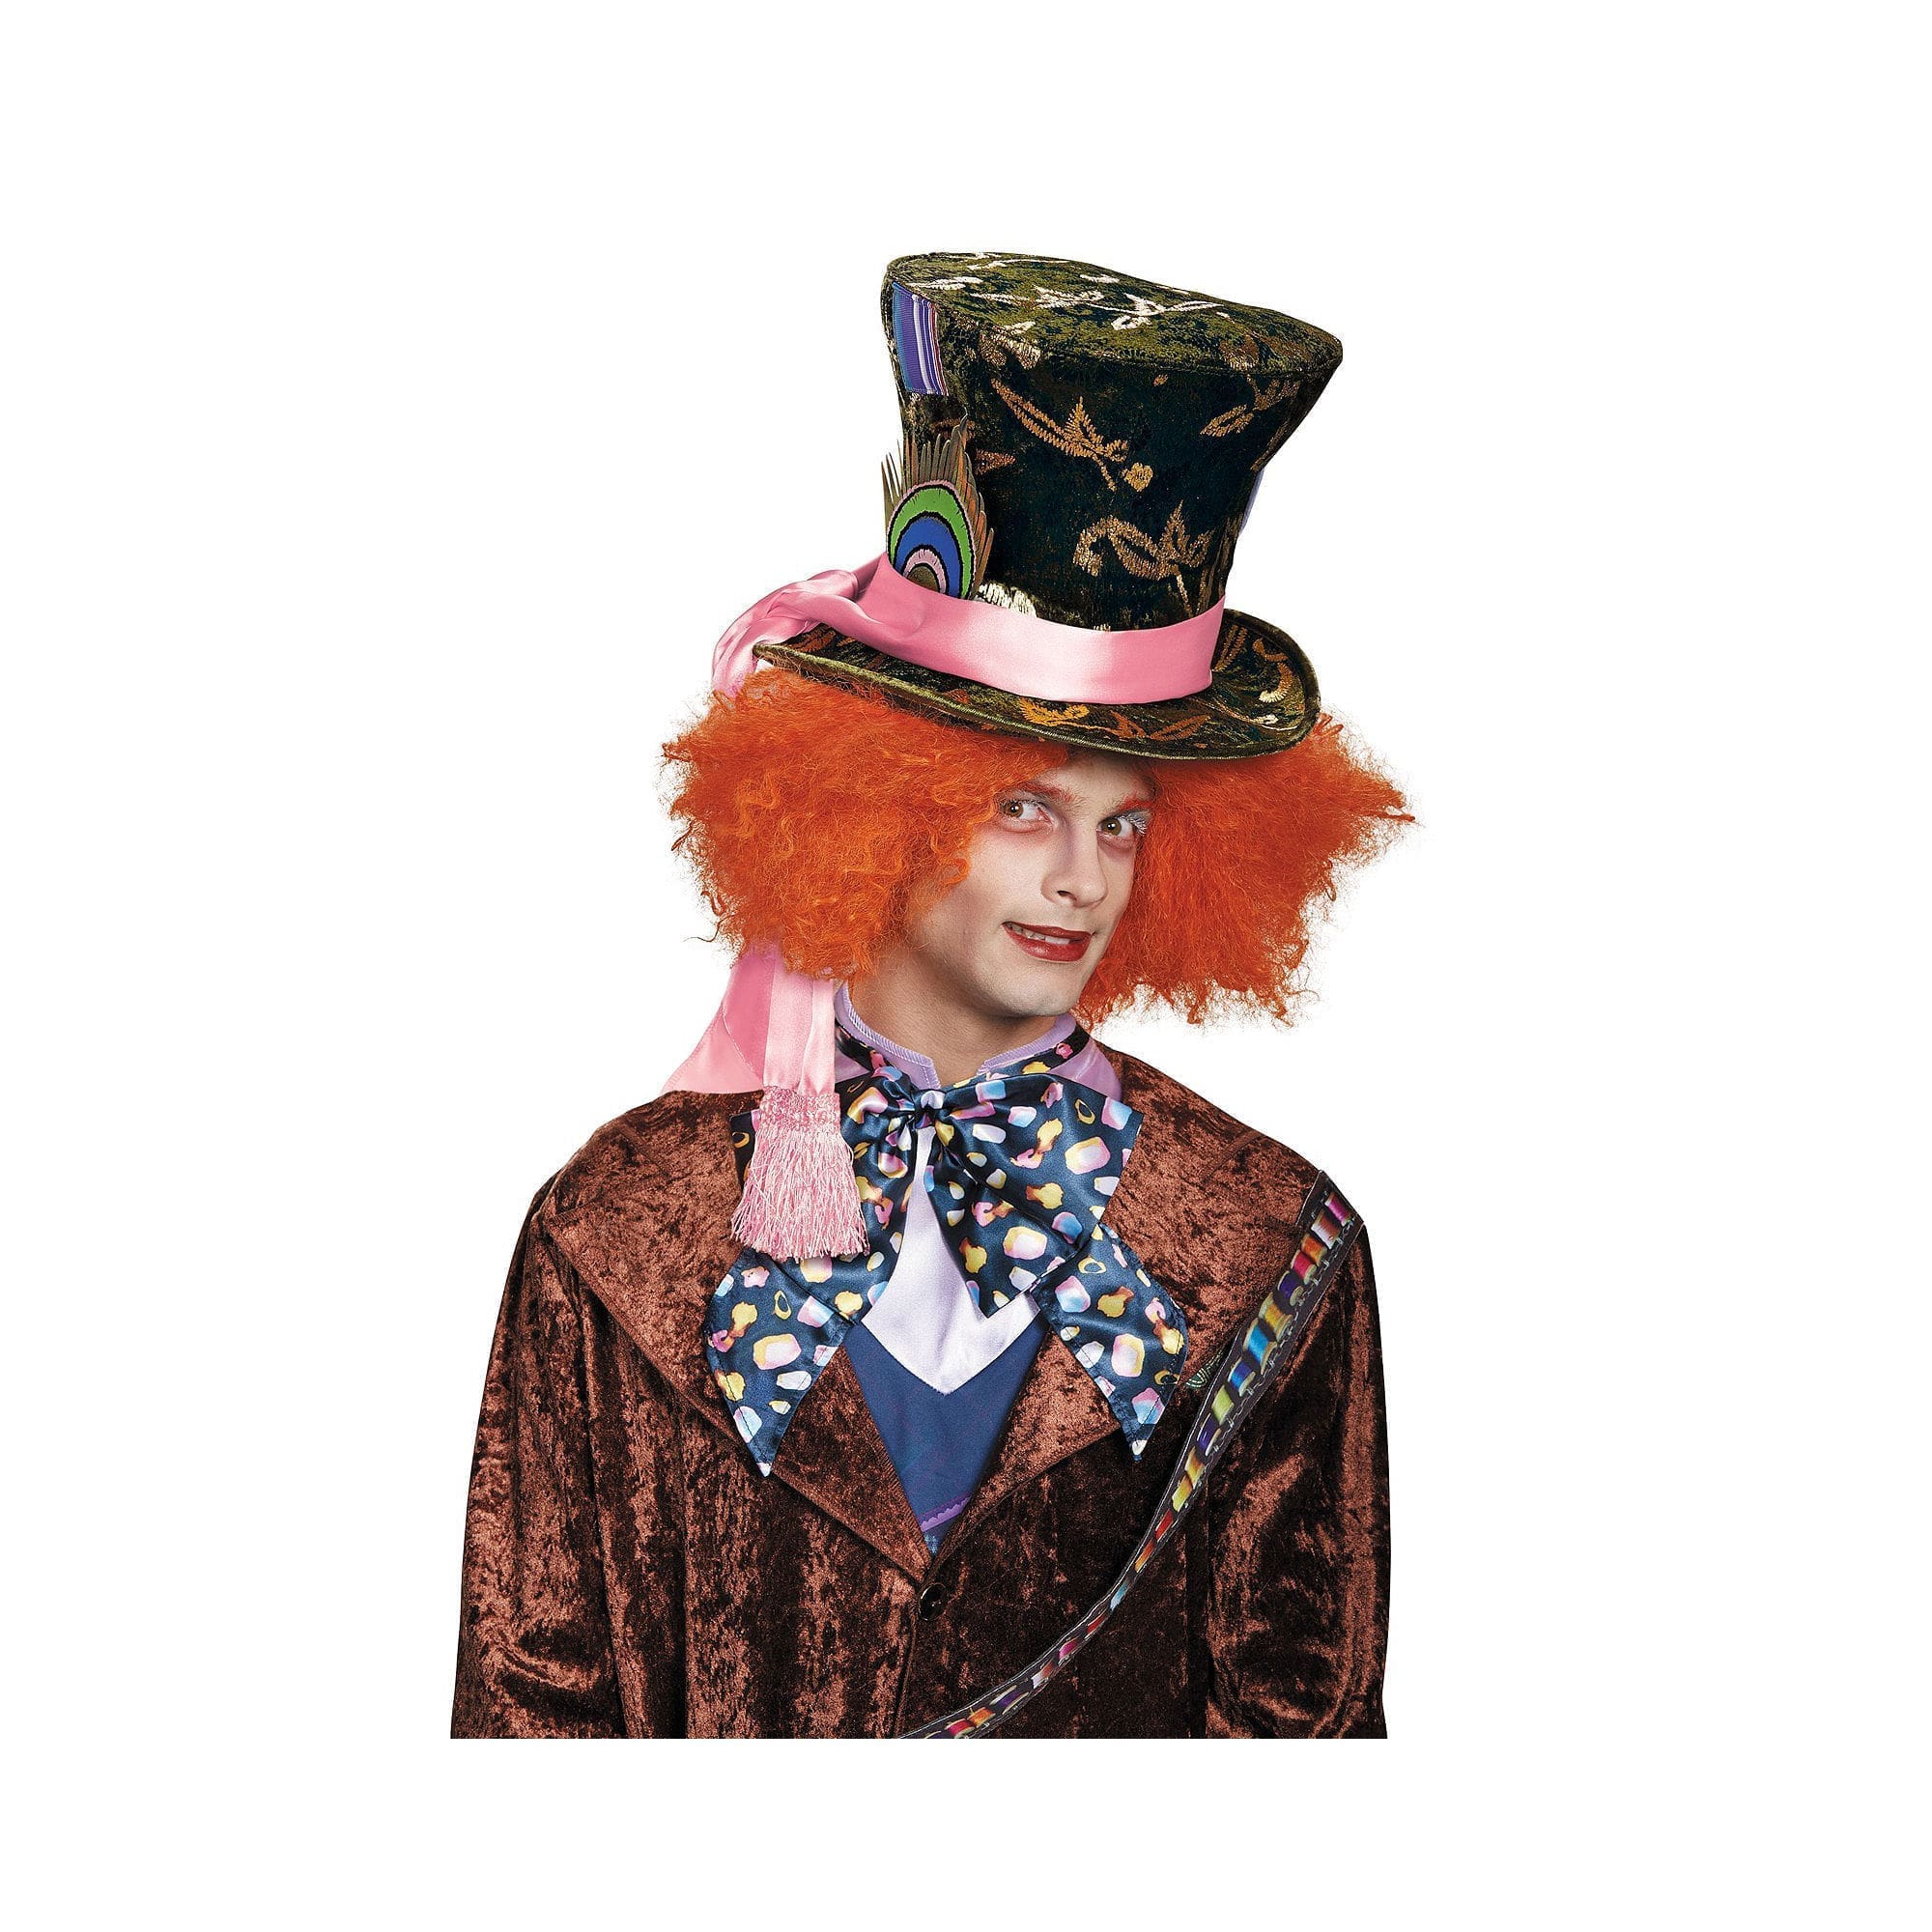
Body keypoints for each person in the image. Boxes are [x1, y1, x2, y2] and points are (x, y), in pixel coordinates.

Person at [451, 250, 1410, 1738]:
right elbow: (527, 1721)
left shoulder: (1264, 1244)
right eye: (1024, 807)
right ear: (872, 803)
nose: (1083, 880)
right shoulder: (620, 1232)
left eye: (1125, 823)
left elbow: (1311, 1745)